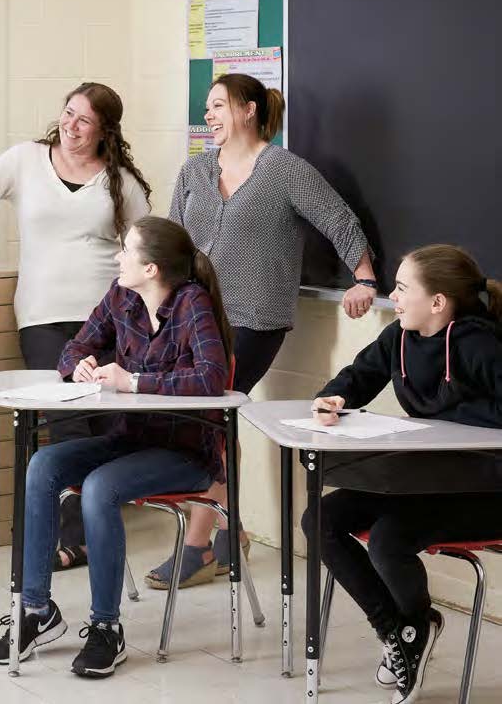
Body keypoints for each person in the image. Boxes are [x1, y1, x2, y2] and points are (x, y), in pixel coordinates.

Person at [150, 72, 379, 589]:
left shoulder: (283, 169)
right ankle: (229, 533)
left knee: (207, 415)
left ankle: (199, 545)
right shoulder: (194, 171)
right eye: (206, 108)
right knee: (207, 420)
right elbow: (172, 243)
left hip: (255, 317)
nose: (207, 115)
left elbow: (339, 219)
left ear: (248, 109)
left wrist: (364, 278)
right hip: (195, 316)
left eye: (216, 106)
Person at [0, 216, 233, 678]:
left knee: (99, 488)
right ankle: (37, 610)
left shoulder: (192, 304)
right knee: (43, 465)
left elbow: (212, 377)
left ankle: (106, 627)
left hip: (185, 453)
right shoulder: (122, 296)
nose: (118, 257)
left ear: (152, 268)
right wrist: (78, 364)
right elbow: (76, 346)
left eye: (126, 250)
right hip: (130, 440)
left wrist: (134, 380)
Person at [0, 82, 151, 571]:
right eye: (68, 113)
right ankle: (75, 537)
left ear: (105, 129)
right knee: (67, 419)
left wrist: (149, 315)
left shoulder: (118, 180)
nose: (71, 125)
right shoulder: (25, 159)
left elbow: (148, 247)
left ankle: (86, 533)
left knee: (106, 423)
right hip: (42, 316)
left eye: (84, 120)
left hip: (107, 319)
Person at [302, 245, 502, 704]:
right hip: (424, 477)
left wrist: (450, 419)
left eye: (403, 288)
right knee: (320, 518)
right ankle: (403, 630)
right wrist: (333, 399)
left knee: (389, 538)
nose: (392, 296)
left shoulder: (478, 344)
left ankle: (410, 631)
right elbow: (357, 376)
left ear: (438, 302)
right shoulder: (400, 337)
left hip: (483, 487)